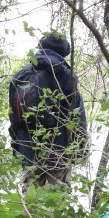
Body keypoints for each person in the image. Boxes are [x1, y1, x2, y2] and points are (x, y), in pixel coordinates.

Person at [8, 32, 88, 189]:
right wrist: (80, 149)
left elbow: (13, 114)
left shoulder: (22, 74)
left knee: (30, 198)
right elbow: (77, 114)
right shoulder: (65, 74)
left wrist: (18, 145)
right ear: (65, 52)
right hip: (58, 149)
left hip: (28, 148)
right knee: (58, 201)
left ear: (41, 47)